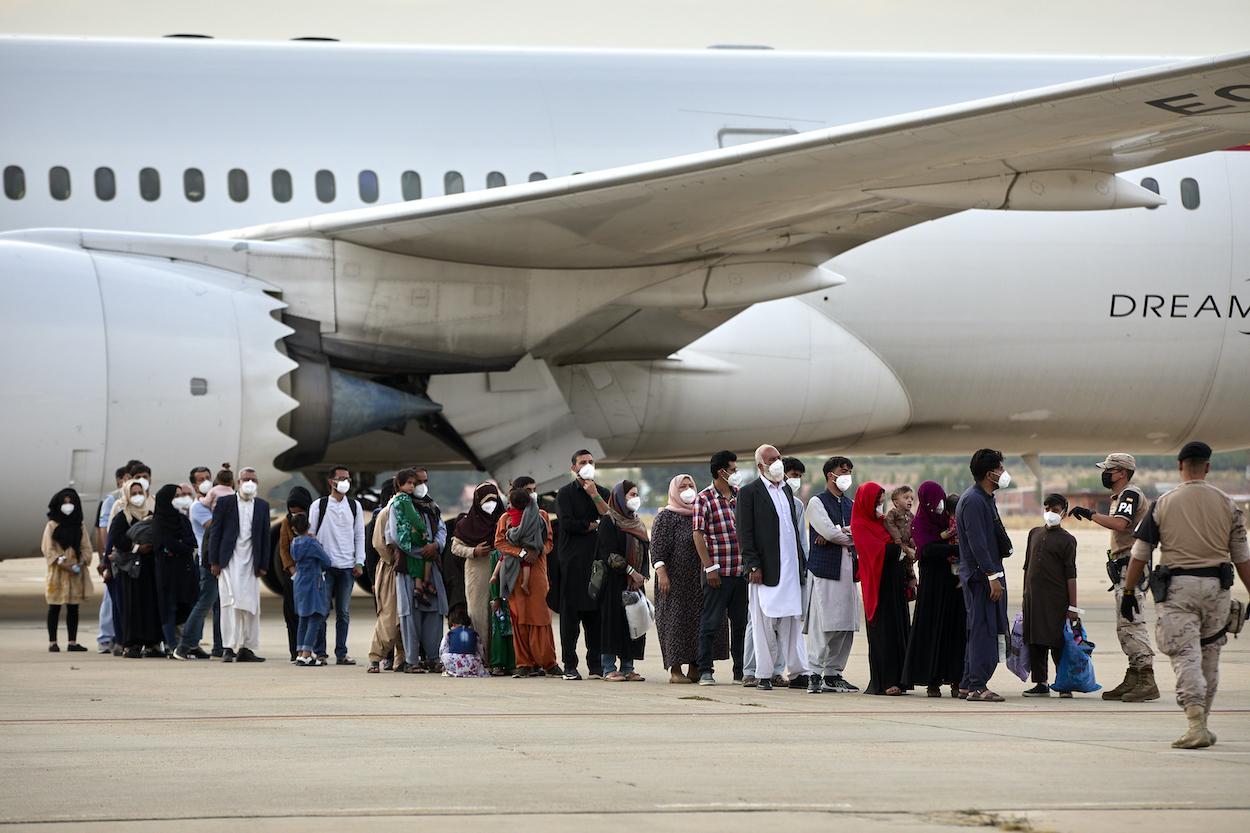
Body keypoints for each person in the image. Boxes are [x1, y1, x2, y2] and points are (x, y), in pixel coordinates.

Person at [1123, 441, 1250, 749]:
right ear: (1207, 467)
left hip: (1178, 589)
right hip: (1217, 590)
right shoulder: (1228, 504)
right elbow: (1242, 557)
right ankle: (1203, 722)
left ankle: (1194, 722)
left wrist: (1128, 590)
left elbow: (1140, 553)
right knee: (1210, 655)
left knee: (1185, 655)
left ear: (1181, 466)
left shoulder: (1164, 503)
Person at [1069, 452, 1158, 702]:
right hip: (1125, 565)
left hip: (1133, 565)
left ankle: (1146, 678)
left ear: (1121, 472)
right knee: (1124, 624)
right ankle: (1135, 674)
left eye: (1108, 469)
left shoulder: (1129, 494)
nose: (1105, 474)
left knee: (1132, 622)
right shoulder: (1121, 496)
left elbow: (1120, 524)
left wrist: (1090, 515)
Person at [737, 445, 816, 693]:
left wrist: (802, 564)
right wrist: (752, 565)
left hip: (791, 570)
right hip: (765, 569)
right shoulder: (749, 493)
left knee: (792, 622)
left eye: (779, 458)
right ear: (760, 465)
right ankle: (764, 674)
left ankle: (798, 672)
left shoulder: (786, 493)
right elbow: (745, 533)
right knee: (763, 623)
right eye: (772, 459)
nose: (778, 463)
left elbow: (793, 532)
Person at [652, 474, 730, 684]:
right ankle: (675, 671)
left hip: (700, 581)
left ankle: (696, 667)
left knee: (699, 623)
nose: (687, 490)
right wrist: (662, 575)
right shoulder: (666, 517)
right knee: (675, 623)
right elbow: (657, 550)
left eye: (690, 486)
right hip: (675, 581)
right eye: (683, 487)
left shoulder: (700, 511)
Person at [955, 449, 1014, 703]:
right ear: (990, 473)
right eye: (1000, 468)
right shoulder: (974, 501)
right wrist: (992, 576)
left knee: (981, 628)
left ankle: (968, 683)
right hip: (982, 576)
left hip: (987, 572)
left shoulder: (984, 498)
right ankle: (978, 686)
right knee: (983, 630)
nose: (1003, 473)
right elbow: (977, 543)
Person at [804, 456, 862, 693]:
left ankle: (834, 673)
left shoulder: (852, 504)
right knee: (824, 623)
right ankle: (815, 672)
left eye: (849, 470)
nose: (847, 474)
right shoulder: (817, 502)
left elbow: (860, 532)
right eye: (843, 470)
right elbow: (830, 533)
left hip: (849, 571)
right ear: (830, 474)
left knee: (845, 624)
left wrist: (841, 533)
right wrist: (842, 534)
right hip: (826, 572)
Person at [902, 481, 965, 697]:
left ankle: (957, 680)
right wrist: (956, 547)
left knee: (954, 633)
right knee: (932, 634)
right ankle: (932, 681)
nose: (938, 505)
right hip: (932, 588)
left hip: (953, 586)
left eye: (941, 500)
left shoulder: (948, 520)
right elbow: (927, 550)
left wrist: (950, 545)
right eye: (934, 500)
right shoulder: (920, 523)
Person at [694, 450, 749, 686]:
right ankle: (705, 670)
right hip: (718, 571)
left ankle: (740, 671)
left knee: (740, 624)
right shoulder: (704, 498)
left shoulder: (740, 496)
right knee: (711, 622)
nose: (736, 474)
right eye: (733, 470)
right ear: (721, 472)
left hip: (740, 571)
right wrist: (709, 568)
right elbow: (698, 534)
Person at [851, 481, 912, 695]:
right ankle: (885, 681)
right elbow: (876, 551)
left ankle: (901, 679)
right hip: (878, 584)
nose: (879, 503)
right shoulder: (859, 523)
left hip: (895, 582)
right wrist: (900, 550)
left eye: (881, 499)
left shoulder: (881, 521)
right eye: (876, 499)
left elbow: (898, 541)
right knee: (883, 633)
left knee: (899, 629)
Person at [495, 479, 559, 677]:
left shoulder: (542, 515)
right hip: (515, 572)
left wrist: (537, 552)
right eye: (528, 490)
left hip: (537, 571)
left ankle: (548, 662)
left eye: (534, 490)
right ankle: (524, 663)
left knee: (540, 616)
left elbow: (549, 542)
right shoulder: (506, 518)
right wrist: (522, 553)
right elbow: (500, 543)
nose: (533, 494)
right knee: (519, 618)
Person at [555, 449, 610, 680]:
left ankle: (595, 666)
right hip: (571, 564)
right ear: (573, 468)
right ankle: (570, 665)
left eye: (590, 462)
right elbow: (566, 523)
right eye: (582, 462)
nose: (587, 465)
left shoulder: (604, 492)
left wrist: (594, 495)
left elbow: (609, 519)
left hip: (596, 563)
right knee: (570, 620)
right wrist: (590, 525)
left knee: (595, 618)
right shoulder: (565, 494)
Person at [208, 467, 270, 663]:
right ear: (237, 482)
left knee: (251, 606)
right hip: (229, 563)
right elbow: (215, 533)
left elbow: (265, 537)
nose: (249, 482)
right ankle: (228, 647)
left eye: (253, 479)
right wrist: (214, 561)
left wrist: (263, 565)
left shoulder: (262, 505)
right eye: (245, 479)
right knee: (229, 605)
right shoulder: (225, 503)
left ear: (257, 483)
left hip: (251, 563)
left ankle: (247, 648)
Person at [1021, 494, 1079, 697]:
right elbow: (1027, 567)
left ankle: (1064, 684)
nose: (1050, 513)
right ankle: (1041, 683)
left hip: (1056, 600)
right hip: (1033, 599)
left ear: (1063, 512)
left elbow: (1071, 574)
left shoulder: (1068, 540)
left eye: (1054, 510)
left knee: (1058, 642)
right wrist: (1025, 596)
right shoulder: (1034, 533)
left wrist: (1073, 606)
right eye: (1047, 508)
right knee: (1035, 641)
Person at [307, 465, 365, 665]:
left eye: (347, 478)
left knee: (344, 613)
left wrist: (359, 561)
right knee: (321, 611)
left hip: (347, 567)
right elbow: (311, 535)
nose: (345, 482)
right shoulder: (319, 505)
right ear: (331, 481)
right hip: (325, 567)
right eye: (341, 478)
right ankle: (320, 652)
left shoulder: (354, 506)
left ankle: (341, 652)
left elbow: (359, 534)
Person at [392, 467, 449, 672]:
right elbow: (394, 536)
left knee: (433, 613)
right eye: (417, 482)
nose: (422, 486)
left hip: (431, 563)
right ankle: (412, 661)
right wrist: (420, 552)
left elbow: (442, 530)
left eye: (425, 481)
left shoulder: (432, 506)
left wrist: (435, 547)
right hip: (410, 565)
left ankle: (434, 658)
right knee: (411, 615)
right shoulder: (398, 505)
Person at [594, 480, 650, 682]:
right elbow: (609, 554)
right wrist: (631, 571)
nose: (635, 498)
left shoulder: (637, 521)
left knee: (633, 624)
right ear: (619, 497)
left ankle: (628, 666)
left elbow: (645, 550)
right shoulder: (609, 521)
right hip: (614, 582)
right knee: (612, 624)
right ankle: (609, 667)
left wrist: (642, 575)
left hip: (635, 583)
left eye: (636, 494)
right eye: (631, 495)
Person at [449, 483, 504, 674]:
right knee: (478, 614)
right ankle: (482, 658)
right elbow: (455, 547)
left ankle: (500, 659)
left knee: (500, 614)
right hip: (477, 571)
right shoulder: (467, 524)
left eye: (494, 500)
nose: (491, 504)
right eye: (486, 501)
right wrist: (474, 551)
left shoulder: (502, 520)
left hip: (501, 570)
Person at [176, 475, 231, 660]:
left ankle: (219, 647)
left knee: (218, 606)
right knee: (203, 604)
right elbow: (214, 527)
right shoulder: (198, 507)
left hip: (219, 561)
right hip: (207, 561)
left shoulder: (211, 506)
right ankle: (185, 645)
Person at [109, 478, 163, 658]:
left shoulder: (151, 513)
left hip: (149, 567)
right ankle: (132, 643)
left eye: (141, 493)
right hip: (130, 569)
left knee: (151, 604)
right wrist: (136, 548)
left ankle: (152, 643)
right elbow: (117, 538)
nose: (138, 496)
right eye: (134, 493)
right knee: (132, 605)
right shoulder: (122, 515)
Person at [43, 488, 94, 652]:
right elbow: (47, 548)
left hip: (75, 572)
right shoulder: (52, 525)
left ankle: (72, 642)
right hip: (58, 572)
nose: (68, 506)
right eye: (64, 503)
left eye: (71, 502)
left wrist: (81, 563)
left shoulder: (79, 525)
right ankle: (53, 642)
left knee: (73, 608)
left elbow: (86, 547)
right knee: (54, 607)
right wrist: (61, 562)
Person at [152, 484, 199, 657]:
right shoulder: (158, 521)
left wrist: (179, 545)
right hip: (167, 572)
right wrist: (180, 545)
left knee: (186, 605)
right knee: (168, 608)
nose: (180, 499)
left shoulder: (182, 519)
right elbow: (164, 543)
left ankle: (186, 644)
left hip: (183, 571)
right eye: (176, 496)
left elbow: (191, 541)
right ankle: (172, 644)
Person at [367, 479, 406, 672]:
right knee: (389, 617)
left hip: (407, 568)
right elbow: (378, 544)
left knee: (405, 617)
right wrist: (394, 559)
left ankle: (402, 657)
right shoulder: (385, 513)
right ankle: (376, 657)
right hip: (391, 569)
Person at [289, 512, 332, 667]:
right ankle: (307, 653)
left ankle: (300, 651)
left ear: (294, 529)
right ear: (308, 526)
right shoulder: (312, 543)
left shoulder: (294, 543)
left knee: (303, 618)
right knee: (315, 616)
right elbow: (327, 561)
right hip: (314, 582)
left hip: (300, 582)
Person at [276, 487, 312, 663]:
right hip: (293, 574)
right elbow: (283, 548)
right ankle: (295, 650)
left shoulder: (313, 520)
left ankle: (310, 649)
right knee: (292, 613)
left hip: (310, 573)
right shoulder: (286, 523)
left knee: (311, 613)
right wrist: (292, 570)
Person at [94, 466, 126, 654]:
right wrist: (105, 558)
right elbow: (103, 529)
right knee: (110, 599)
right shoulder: (112, 500)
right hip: (114, 557)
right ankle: (105, 638)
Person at [884, 485, 918, 597]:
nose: (910, 500)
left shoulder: (911, 515)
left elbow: (914, 528)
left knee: (909, 566)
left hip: (909, 544)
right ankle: (907, 587)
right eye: (906, 497)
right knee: (901, 568)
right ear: (896, 502)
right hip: (899, 544)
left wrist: (914, 539)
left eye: (911, 498)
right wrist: (897, 537)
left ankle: (911, 588)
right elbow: (889, 523)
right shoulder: (893, 513)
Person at [440, 606, 489, 678]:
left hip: (455, 663)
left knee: (445, 656)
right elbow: (480, 649)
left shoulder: (450, 634)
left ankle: (452, 671)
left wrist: (442, 662)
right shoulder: (474, 633)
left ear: (453, 624)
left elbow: (443, 649)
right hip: (472, 663)